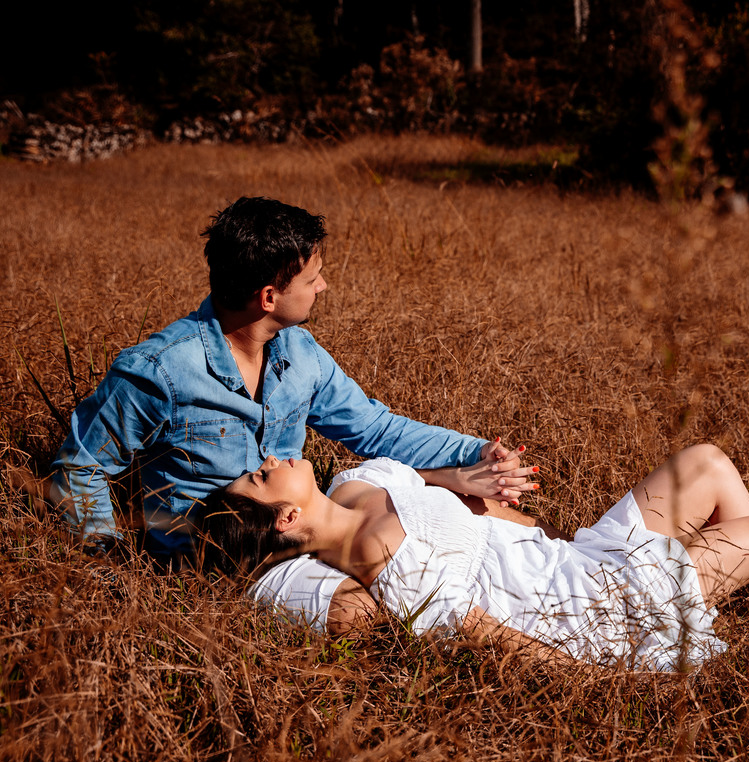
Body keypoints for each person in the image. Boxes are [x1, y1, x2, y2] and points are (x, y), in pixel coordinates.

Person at [49, 196, 533, 630]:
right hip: (225, 564)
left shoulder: (300, 353)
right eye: (311, 278)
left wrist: (476, 454)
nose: (323, 286)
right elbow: (82, 466)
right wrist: (108, 569)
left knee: (478, 514)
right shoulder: (159, 370)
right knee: (366, 611)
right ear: (268, 297)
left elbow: (373, 428)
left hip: (305, 532)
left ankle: (525, 609)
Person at [201, 444, 749, 671]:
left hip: (568, 553)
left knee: (704, 462)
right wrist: (594, 684)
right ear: (287, 518)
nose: (270, 457)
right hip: (580, 605)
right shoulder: (386, 576)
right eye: (263, 476)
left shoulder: (360, 482)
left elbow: (427, 484)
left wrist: (466, 482)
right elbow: (483, 631)